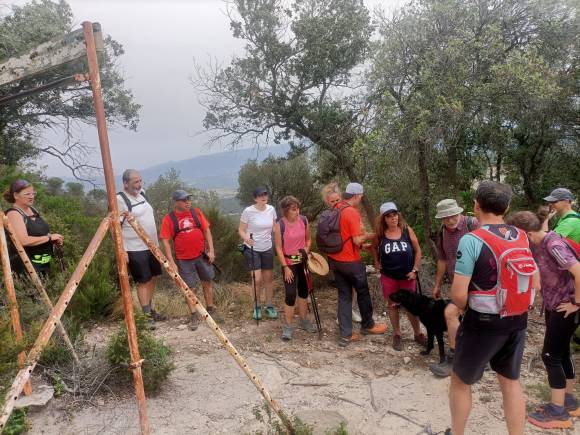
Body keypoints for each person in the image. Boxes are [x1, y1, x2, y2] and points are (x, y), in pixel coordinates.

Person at [448, 181, 539, 435]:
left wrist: (463, 310)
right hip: (517, 319)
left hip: (483, 322)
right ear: (507, 207)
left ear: (476, 205)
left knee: (460, 381)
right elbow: (535, 282)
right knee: (511, 383)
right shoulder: (522, 236)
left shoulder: (471, 240)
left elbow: (458, 294)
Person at [507, 209, 580, 430]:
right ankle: (568, 400)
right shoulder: (540, 240)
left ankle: (558, 412)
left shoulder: (553, 245)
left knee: (550, 356)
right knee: (562, 352)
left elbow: (579, 271)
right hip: (555, 305)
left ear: (527, 234)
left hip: (565, 307)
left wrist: (576, 303)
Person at [325, 182, 387, 347]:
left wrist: (361, 244)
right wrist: (374, 235)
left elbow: (344, 236)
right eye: (361, 196)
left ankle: (345, 334)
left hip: (335, 260)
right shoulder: (351, 211)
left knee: (344, 295)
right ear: (357, 196)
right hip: (350, 261)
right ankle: (368, 325)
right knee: (363, 292)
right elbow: (357, 239)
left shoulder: (336, 208)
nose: (361, 199)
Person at [160, 190, 223, 330]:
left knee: (207, 281)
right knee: (189, 288)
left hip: (201, 255)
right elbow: (165, 241)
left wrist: (211, 251)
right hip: (184, 259)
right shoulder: (169, 219)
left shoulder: (196, 212)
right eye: (184, 200)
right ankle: (194, 315)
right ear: (176, 202)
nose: (188, 202)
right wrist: (171, 262)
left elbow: (206, 230)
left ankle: (210, 308)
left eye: (189, 199)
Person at [430, 199, 479, 377]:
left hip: (479, 283)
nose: (450, 220)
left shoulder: (473, 225)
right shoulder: (442, 232)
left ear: (459, 212)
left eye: (453, 215)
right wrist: (437, 284)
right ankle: (472, 357)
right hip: (457, 283)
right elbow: (443, 259)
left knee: (454, 314)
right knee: (462, 316)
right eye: (446, 217)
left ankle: (458, 359)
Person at [372, 202, 425, 351]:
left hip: (407, 277)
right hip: (389, 276)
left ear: (398, 215)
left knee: (411, 306)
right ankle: (397, 334)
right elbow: (373, 247)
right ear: (383, 219)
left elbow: (418, 251)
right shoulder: (380, 234)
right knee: (392, 305)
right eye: (388, 216)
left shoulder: (407, 230)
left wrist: (415, 270)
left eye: (394, 214)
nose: (393, 218)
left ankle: (418, 333)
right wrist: (376, 261)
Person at [117, 169, 164, 329]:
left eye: (140, 181)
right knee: (143, 280)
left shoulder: (142, 194)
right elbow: (115, 227)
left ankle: (150, 310)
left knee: (153, 277)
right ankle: (145, 316)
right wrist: (122, 250)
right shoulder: (120, 200)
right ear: (125, 183)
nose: (139, 184)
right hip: (134, 247)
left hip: (152, 245)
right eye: (135, 182)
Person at [273, 196, 317, 340]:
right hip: (289, 263)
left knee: (304, 291)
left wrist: (305, 250)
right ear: (286, 210)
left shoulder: (304, 220)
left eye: (298, 208)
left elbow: (308, 239)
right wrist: (285, 267)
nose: (297, 212)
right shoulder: (280, 225)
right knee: (291, 294)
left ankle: (304, 320)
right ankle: (288, 326)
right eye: (293, 209)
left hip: (302, 261)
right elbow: (278, 248)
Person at [3, 179, 64, 275]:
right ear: (16, 195)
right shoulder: (14, 214)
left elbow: (39, 233)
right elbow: (23, 240)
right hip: (25, 269)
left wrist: (53, 239)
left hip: (43, 266)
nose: (31, 197)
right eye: (27, 194)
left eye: (33, 193)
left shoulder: (33, 210)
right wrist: (49, 238)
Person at [321, 183, 362, 323]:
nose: (335, 203)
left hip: (343, 255)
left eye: (337, 200)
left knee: (349, 288)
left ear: (341, 197)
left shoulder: (345, 212)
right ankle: (343, 315)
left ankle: (349, 311)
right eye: (332, 201)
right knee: (345, 289)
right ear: (327, 202)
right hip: (340, 256)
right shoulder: (330, 216)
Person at [238, 186, 278, 320]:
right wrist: (246, 239)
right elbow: (241, 230)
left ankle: (269, 305)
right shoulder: (248, 211)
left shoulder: (271, 209)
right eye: (260, 195)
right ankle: (257, 306)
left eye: (265, 194)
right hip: (252, 248)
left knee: (269, 279)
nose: (264, 197)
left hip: (267, 248)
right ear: (255, 198)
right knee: (257, 279)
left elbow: (275, 227)